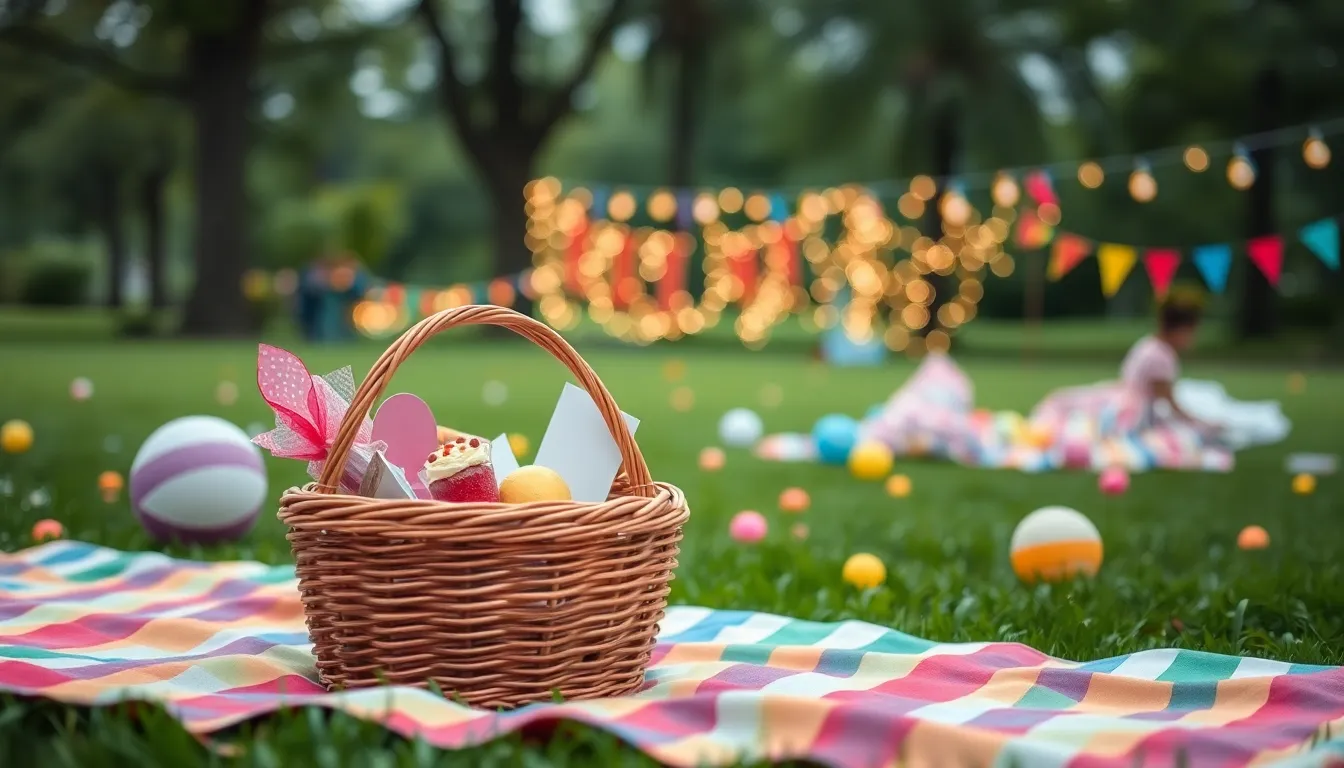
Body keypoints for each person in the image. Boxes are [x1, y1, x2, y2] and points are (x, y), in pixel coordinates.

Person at [1118, 299, 1218, 434]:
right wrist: (1200, 423)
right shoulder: (1160, 357)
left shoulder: (1148, 344)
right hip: (1139, 415)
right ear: (1181, 330)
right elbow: (1169, 404)